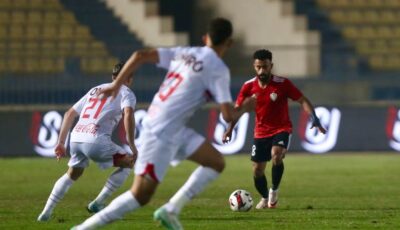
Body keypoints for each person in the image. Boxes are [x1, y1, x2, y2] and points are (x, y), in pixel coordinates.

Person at [72, 18, 255, 230]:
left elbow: (140, 55)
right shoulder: (218, 69)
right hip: (161, 132)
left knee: (216, 162)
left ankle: (171, 210)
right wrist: (247, 107)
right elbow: (227, 115)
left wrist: (116, 85)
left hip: (170, 127)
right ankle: (82, 228)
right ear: (229, 43)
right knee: (140, 195)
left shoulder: (185, 53)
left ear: (205, 38)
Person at [223, 49, 326, 209]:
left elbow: (302, 100)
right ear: (254, 66)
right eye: (258, 67)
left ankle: (274, 192)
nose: (262, 71)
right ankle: (265, 198)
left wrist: (315, 118)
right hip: (261, 132)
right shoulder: (248, 87)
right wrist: (229, 130)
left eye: (265, 66)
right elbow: (239, 110)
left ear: (271, 65)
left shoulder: (283, 84)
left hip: (281, 128)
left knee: (277, 155)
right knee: (257, 171)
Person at [37, 62, 138, 221]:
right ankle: (98, 203)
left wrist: (61, 142)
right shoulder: (127, 93)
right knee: (129, 162)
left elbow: (70, 113)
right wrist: (132, 145)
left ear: (113, 76)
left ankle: (46, 212)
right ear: (130, 78)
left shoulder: (95, 89)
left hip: (76, 138)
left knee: (72, 174)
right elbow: (128, 115)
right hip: (96, 140)